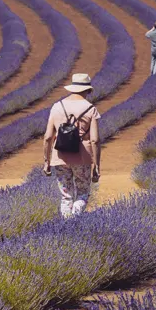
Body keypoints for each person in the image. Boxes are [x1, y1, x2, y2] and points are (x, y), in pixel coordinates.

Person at [43, 73, 100, 219]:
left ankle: (66, 225)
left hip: (60, 157)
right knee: (82, 193)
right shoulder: (90, 109)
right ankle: (74, 222)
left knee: (66, 196)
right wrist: (97, 166)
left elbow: (48, 137)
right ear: (87, 90)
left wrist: (46, 161)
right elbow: (95, 140)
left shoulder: (57, 107)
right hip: (82, 158)